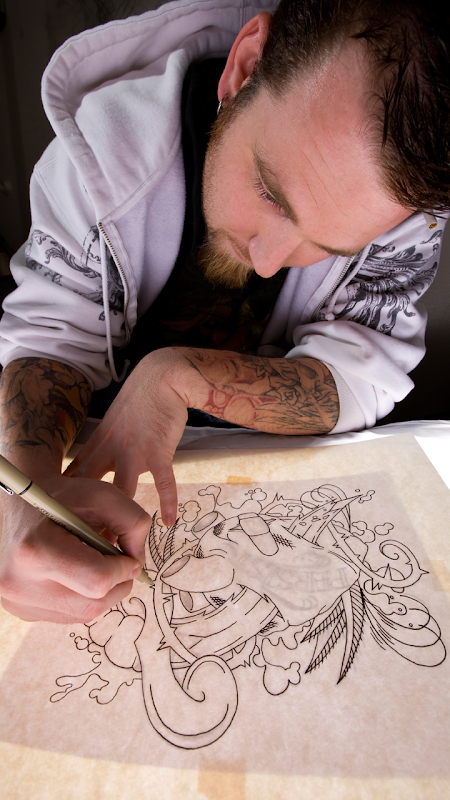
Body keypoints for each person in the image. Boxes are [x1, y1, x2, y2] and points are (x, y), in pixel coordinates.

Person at [0, 0, 449, 624]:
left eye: (330, 246)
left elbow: (362, 376)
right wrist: (19, 501)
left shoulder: (406, 215)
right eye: (270, 192)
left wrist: (182, 376)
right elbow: (51, 337)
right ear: (244, 68)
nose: (268, 262)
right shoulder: (101, 154)